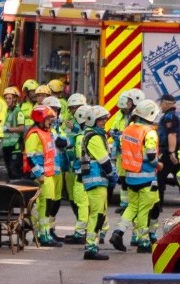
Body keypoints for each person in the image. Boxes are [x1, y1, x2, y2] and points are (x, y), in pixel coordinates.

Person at [109, 99, 160, 253]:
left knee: (132, 207)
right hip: (146, 178)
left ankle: (118, 232)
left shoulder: (128, 130)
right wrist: (158, 164)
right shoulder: (149, 132)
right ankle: (144, 242)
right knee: (145, 209)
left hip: (131, 177)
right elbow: (151, 155)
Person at [75, 105, 116, 260]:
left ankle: (93, 244)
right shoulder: (94, 136)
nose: (104, 122)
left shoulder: (95, 135)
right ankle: (91, 246)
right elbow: (104, 160)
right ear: (92, 120)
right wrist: (112, 175)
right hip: (96, 179)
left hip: (97, 179)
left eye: (105, 119)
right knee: (97, 214)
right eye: (101, 119)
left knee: (99, 214)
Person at [105, 88, 144, 243]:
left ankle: (137, 235)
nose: (126, 104)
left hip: (133, 158)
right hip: (124, 156)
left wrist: (121, 136)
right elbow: (114, 128)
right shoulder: (121, 115)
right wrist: (115, 134)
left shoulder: (138, 119)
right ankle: (124, 206)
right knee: (124, 183)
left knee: (137, 200)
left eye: (128, 101)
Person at [25, 105, 62, 247]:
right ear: (40, 119)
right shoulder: (34, 134)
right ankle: (43, 236)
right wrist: (39, 174)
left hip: (49, 175)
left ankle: (43, 234)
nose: (50, 121)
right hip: (42, 176)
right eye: (48, 118)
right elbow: (30, 157)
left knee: (48, 205)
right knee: (44, 206)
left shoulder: (47, 132)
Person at [153, 94, 180, 240]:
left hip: (168, 151)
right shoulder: (177, 114)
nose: (160, 105)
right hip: (175, 150)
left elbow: (172, 134)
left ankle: (157, 205)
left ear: (166, 104)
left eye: (162, 103)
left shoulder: (169, 117)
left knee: (160, 178)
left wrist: (171, 152)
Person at [62, 93, 89, 243]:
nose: (73, 110)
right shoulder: (69, 120)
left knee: (83, 202)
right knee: (75, 199)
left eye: (75, 107)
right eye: (71, 108)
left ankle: (83, 231)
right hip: (71, 164)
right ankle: (82, 228)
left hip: (80, 169)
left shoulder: (82, 127)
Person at [42, 95, 68, 243]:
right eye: (52, 110)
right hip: (47, 171)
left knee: (56, 201)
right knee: (47, 202)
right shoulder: (44, 129)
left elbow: (64, 141)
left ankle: (51, 229)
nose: (54, 114)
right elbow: (59, 141)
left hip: (58, 168)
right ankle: (43, 232)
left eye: (56, 111)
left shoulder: (57, 127)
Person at [1, 87, 25, 181]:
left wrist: (8, 129)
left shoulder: (18, 112)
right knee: (9, 171)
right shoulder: (4, 111)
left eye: (9, 98)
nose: (7, 100)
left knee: (15, 171)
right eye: (6, 98)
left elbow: (22, 128)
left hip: (15, 145)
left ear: (14, 99)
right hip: (5, 145)